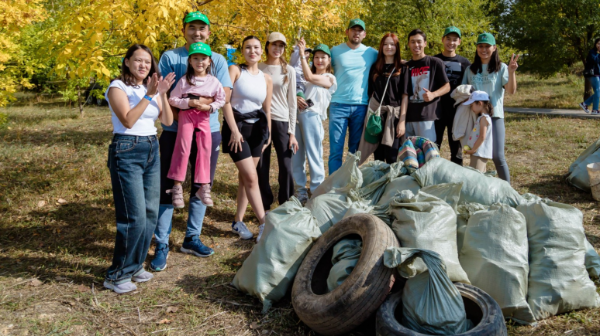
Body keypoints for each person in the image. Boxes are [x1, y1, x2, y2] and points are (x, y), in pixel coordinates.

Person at [153, 11, 233, 270]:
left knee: (202, 183)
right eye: (192, 28)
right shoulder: (170, 57)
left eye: (202, 28)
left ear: (209, 32)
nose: (197, 32)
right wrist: (188, 107)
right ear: (183, 30)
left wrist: (198, 105)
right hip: (175, 130)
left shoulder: (217, 59)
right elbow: (164, 95)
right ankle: (162, 242)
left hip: (208, 131)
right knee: (168, 184)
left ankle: (192, 237)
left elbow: (225, 95)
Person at [104, 44, 175, 293]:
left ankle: (134, 266)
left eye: (147, 62)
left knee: (149, 214)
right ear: (126, 62)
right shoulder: (117, 87)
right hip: (126, 149)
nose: (143, 65)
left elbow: (167, 121)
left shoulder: (151, 88)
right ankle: (116, 275)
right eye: (138, 61)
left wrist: (162, 94)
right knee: (132, 217)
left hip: (151, 148)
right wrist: (149, 96)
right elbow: (128, 119)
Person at [222, 36, 272, 243]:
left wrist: (267, 134)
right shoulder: (235, 70)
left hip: (257, 131)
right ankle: (264, 224)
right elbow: (224, 102)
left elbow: (267, 109)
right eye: (248, 48)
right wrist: (234, 130)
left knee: (245, 178)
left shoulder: (266, 78)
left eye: (256, 48)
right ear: (242, 51)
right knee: (252, 178)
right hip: (237, 130)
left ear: (262, 51)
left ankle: (238, 221)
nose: (252, 51)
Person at [166, 42, 226, 208]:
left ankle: (203, 186)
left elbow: (221, 99)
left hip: (204, 117)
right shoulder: (185, 81)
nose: (200, 61)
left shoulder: (213, 82)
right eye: (195, 58)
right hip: (186, 116)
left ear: (209, 61)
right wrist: (189, 102)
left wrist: (209, 107)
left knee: (205, 149)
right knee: (183, 148)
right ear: (190, 61)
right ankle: (177, 186)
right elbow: (173, 99)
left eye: (203, 58)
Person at [462, 32, 518, 183]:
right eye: (480, 46)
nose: (484, 49)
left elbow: (511, 91)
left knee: (497, 156)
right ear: (477, 48)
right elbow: (463, 92)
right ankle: (479, 188)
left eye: (487, 46)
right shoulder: (470, 70)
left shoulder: (502, 68)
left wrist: (512, 73)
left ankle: (507, 190)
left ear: (494, 48)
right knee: (477, 154)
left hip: (495, 117)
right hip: (476, 118)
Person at [329, 18, 378, 174]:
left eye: (359, 30)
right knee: (335, 150)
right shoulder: (335, 51)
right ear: (347, 32)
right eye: (353, 29)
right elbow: (317, 68)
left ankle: (349, 183)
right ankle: (333, 188)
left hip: (360, 106)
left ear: (364, 34)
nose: (356, 33)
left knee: (355, 151)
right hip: (338, 105)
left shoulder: (371, 52)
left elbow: (391, 60)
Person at [257, 32, 298, 212]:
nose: (277, 49)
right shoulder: (258, 67)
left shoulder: (289, 70)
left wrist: (292, 132)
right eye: (274, 45)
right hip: (261, 121)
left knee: (286, 166)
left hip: (282, 121)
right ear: (267, 46)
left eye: (281, 46)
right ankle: (264, 204)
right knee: (261, 165)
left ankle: (286, 203)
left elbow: (292, 102)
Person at [293, 39, 337, 203]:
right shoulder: (304, 78)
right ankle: (300, 190)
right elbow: (300, 83)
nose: (319, 60)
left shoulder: (329, 78)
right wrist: (297, 96)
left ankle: (317, 190)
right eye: (316, 57)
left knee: (314, 154)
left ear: (328, 60)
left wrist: (303, 55)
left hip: (312, 116)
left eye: (323, 57)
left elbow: (309, 76)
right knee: (296, 155)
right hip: (297, 116)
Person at [398, 29, 450, 144]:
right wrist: (402, 119)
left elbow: (447, 86)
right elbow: (404, 95)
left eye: (419, 41)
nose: (416, 45)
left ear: (425, 43)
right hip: (409, 118)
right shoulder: (406, 67)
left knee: (428, 155)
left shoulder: (435, 62)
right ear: (408, 44)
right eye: (412, 42)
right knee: (409, 156)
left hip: (427, 118)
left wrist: (433, 94)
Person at [363, 32, 405, 164]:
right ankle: (380, 183)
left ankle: (391, 184)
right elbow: (371, 92)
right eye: (385, 44)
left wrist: (402, 121)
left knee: (393, 156)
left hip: (394, 117)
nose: (388, 47)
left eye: (392, 44)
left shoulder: (402, 68)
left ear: (397, 47)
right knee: (379, 155)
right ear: (381, 47)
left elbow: (405, 96)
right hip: (377, 116)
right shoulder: (375, 68)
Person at [434, 26, 471, 165]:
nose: (451, 42)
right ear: (443, 40)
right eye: (448, 39)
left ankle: (457, 175)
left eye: (455, 40)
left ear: (459, 42)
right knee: (434, 145)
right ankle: (433, 174)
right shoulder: (434, 60)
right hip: (436, 110)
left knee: (456, 147)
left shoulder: (465, 63)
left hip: (457, 111)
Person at [462, 91, 494, 172]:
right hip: (478, 152)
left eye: (472, 105)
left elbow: (482, 136)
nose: (471, 108)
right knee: (481, 176)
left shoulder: (484, 118)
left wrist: (473, 150)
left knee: (475, 176)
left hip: (479, 153)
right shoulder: (482, 118)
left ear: (480, 103)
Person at [580, 38, 600, 115]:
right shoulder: (592, 52)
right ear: (595, 44)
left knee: (598, 92)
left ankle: (586, 105)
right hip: (592, 74)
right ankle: (593, 109)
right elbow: (595, 61)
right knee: (598, 92)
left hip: (597, 75)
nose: (599, 45)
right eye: (598, 43)